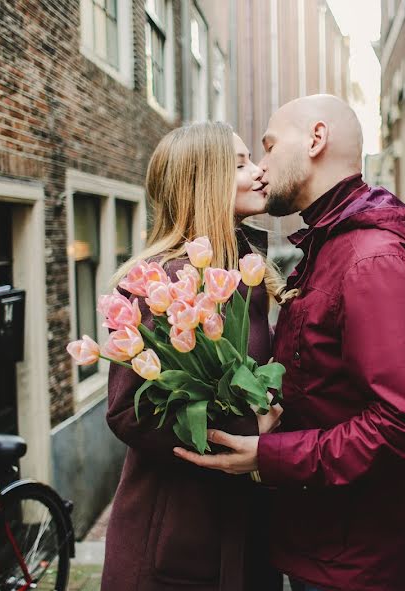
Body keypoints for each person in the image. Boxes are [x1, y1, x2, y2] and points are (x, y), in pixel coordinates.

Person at [174, 95, 405, 591]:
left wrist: (272, 456)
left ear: (316, 140)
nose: (261, 167)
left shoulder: (371, 260)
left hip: (349, 565)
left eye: (270, 147)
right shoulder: (329, 247)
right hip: (315, 544)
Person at [103, 122, 283, 591]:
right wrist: (246, 434)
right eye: (240, 164)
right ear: (204, 181)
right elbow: (127, 412)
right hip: (176, 541)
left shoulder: (247, 276)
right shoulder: (158, 282)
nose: (259, 172)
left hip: (244, 533)